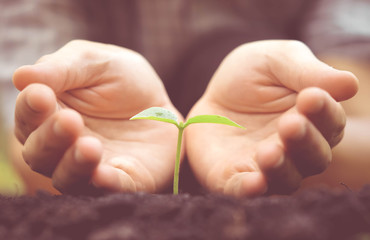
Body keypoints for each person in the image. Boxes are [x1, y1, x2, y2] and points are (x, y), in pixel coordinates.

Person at [3, 0, 370, 196]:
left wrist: (304, 141)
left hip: (264, 144)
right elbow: (30, 148)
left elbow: (359, 107)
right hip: (119, 147)